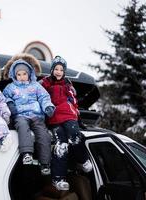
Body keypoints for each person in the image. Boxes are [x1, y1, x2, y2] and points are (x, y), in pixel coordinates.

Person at [40, 55, 93, 191]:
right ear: (52, 70)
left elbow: (74, 102)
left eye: (61, 70)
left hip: (69, 115)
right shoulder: (45, 83)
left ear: (64, 72)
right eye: (56, 69)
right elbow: (38, 96)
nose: (58, 72)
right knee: (61, 144)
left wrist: (78, 118)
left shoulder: (68, 84)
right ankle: (58, 179)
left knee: (75, 136)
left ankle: (82, 160)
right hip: (54, 118)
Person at [3, 55, 55, 175]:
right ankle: (27, 153)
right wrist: (10, 105)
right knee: (22, 127)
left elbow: (44, 97)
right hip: (20, 115)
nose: (21, 77)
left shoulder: (36, 86)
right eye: (19, 74)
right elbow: (4, 97)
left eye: (24, 74)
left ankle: (45, 163)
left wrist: (48, 106)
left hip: (37, 116)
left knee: (44, 135)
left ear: (29, 74)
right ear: (15, 75)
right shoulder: (11, 87)